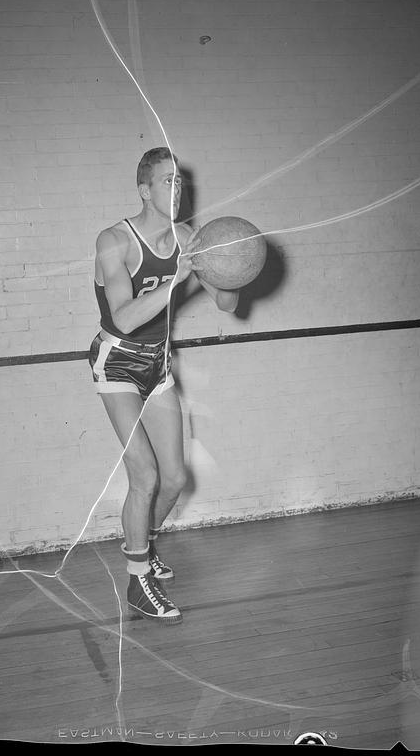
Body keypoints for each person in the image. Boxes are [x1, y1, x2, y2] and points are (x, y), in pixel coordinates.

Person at [89, 147, 239, 624]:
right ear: (143, 189)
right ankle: (137, 583)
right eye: (166, 182)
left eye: (181, 184)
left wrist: (232, 260)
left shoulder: (189, 237)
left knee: (174, 478)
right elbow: (125, 317)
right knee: (145, 475)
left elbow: (228, 304)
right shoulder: (115, 240)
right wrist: (177, 278)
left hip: (156, 365)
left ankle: (141, 544)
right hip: (117, 364)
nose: (176, 191)